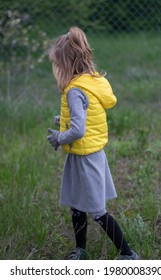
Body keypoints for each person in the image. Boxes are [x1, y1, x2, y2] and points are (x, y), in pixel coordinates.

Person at [47, 27, 140, 260]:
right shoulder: (90, 83)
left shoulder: (74, 91)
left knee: (97, 211)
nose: (55, 70)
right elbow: (87, 117)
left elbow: (79, 130)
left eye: (56, 65)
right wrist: (63, 121)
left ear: (65, 64)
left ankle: (128, 255)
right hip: (88, 154)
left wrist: (59, 137)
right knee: (77, 205)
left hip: (85, 157)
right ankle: (80, 250)